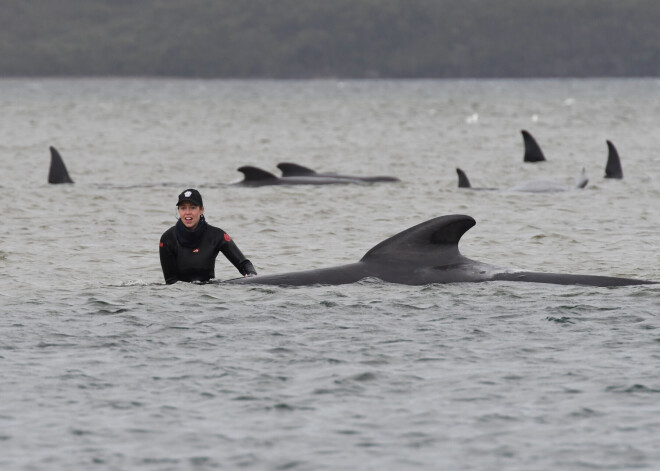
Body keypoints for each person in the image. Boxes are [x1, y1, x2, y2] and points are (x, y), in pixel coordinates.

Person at [159, 189, 257, 284]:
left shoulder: (216, 235)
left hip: (208, 295)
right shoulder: (168, 239)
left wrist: (251, 275)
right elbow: (170, 282)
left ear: (201, 210)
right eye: (183, 208)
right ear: (179, 210)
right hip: (180, 297)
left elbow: (244, 264)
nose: (187, 212)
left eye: (193, 207)